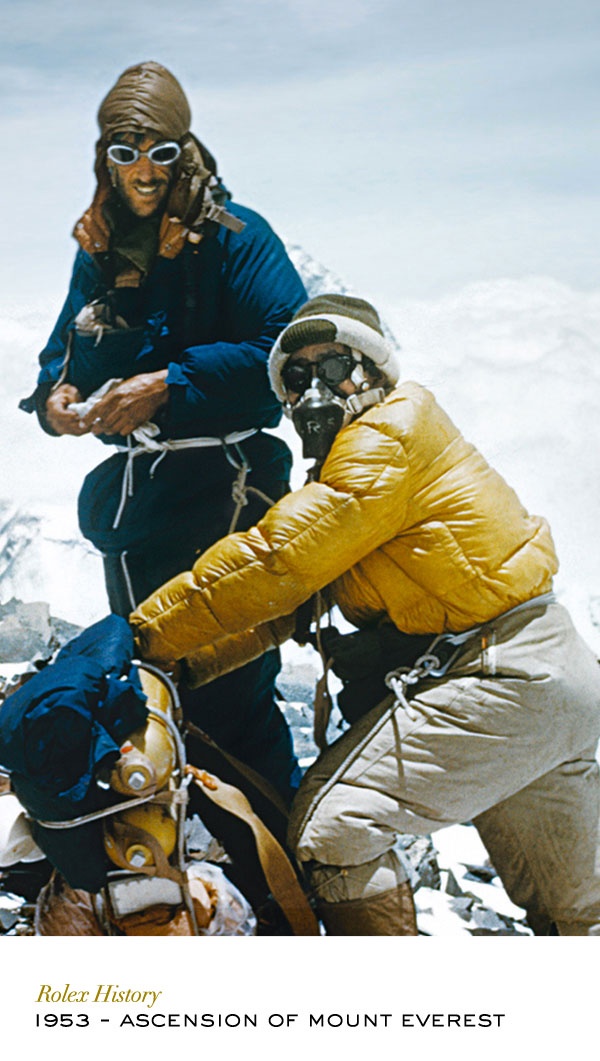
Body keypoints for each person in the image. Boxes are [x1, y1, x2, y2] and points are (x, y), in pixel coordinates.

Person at [128, 292, 600, 936]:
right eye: (297, 377)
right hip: (551, 686)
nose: (316, 390)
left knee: (334, 829)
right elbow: (284, 609)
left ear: (377, 374)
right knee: (580, 915)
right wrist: (176, 663)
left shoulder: (388, 437)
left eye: (336, 367)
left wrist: (140, 635)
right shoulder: (361, 470)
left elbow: (275, 563)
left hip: (502, 677)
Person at [20, 61, 307, 803]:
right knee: (151, 682)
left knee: (232, 686)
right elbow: (60, 354)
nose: (143, 171)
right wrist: (58, 399)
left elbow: (289, 348)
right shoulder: (101, 248)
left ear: (187, 151)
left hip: (228, 496)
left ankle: (277, 871)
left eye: (160, 151)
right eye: (124, 152)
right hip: (140, 512)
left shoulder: (239, 240)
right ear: (104, 160)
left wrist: (167, 385)